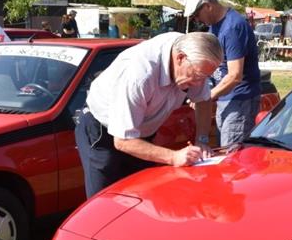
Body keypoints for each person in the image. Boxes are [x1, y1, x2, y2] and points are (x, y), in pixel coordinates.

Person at [74, 31, 223, 198]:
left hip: (141, 135)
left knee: (144, 197)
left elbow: (203, 100)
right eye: (197, 76)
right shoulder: (139, 75)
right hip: (104, 134)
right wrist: (174, 157)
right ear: (180, 58)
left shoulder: (194, 56)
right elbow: (123, 141)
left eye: (205, 77)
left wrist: (202, 140)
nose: (199, 83)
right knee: (105, 202)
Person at [187, 0, 262, 147]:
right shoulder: (214, 28)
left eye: (197, 14)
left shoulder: (233, 27)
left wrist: (207, 95)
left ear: (208, 6)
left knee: (231, 155)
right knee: (224, 151)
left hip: (240, 101)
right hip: (225, 100)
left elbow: (235, 76)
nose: (197, 20)